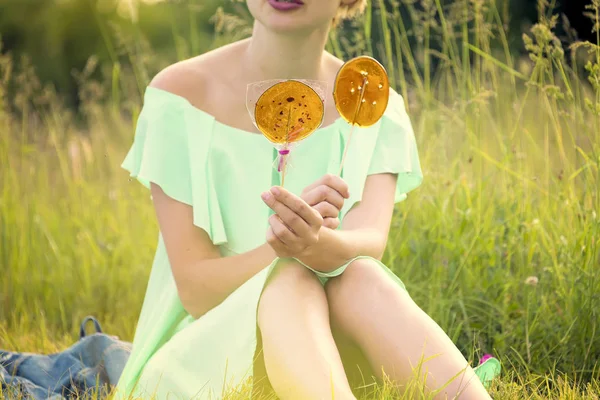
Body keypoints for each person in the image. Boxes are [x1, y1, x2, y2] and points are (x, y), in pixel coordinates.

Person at [115, 0, 500, 399]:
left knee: (359, 275)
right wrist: (286, 250)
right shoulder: (179, 97)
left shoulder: (372, 105)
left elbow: (369, 243)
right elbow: (196, 291)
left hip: (323, 347)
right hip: (202, 356)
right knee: (290, 278)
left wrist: (316, 243)